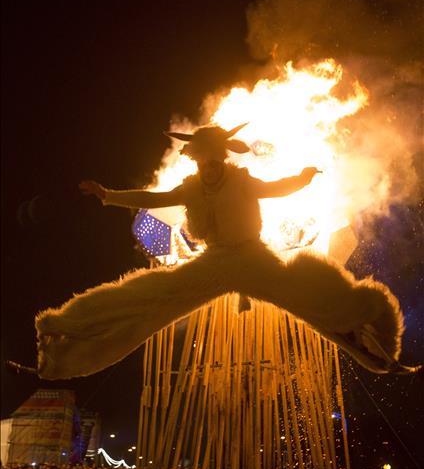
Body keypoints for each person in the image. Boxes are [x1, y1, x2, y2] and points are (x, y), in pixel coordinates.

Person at [34, 124, 411, 380]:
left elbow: (275, 188)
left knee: (314, 304)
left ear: (223, 158)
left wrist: (301, 178)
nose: (210, 168)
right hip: (213, 264)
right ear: (197, 159)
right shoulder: (191, 187)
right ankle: (62, 343)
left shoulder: (242, 181)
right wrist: (108, 195)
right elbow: (154, 198)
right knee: (147, 301)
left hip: (252, 259)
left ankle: (377, 349)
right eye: (204, 162)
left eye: (215, 161)